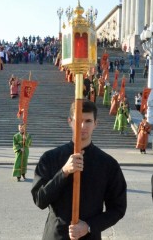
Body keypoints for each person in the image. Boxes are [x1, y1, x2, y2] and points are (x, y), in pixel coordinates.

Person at [31, 100, 127, 240]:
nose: (83, 126)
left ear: (96, 123)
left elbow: (118, 208)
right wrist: (63, 172)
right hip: (56, 235)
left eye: (88, 121)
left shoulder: (108, 164)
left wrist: (89, 226)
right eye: (78, 120)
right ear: (70, 121)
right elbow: (40, 200)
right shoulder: (50, 158)